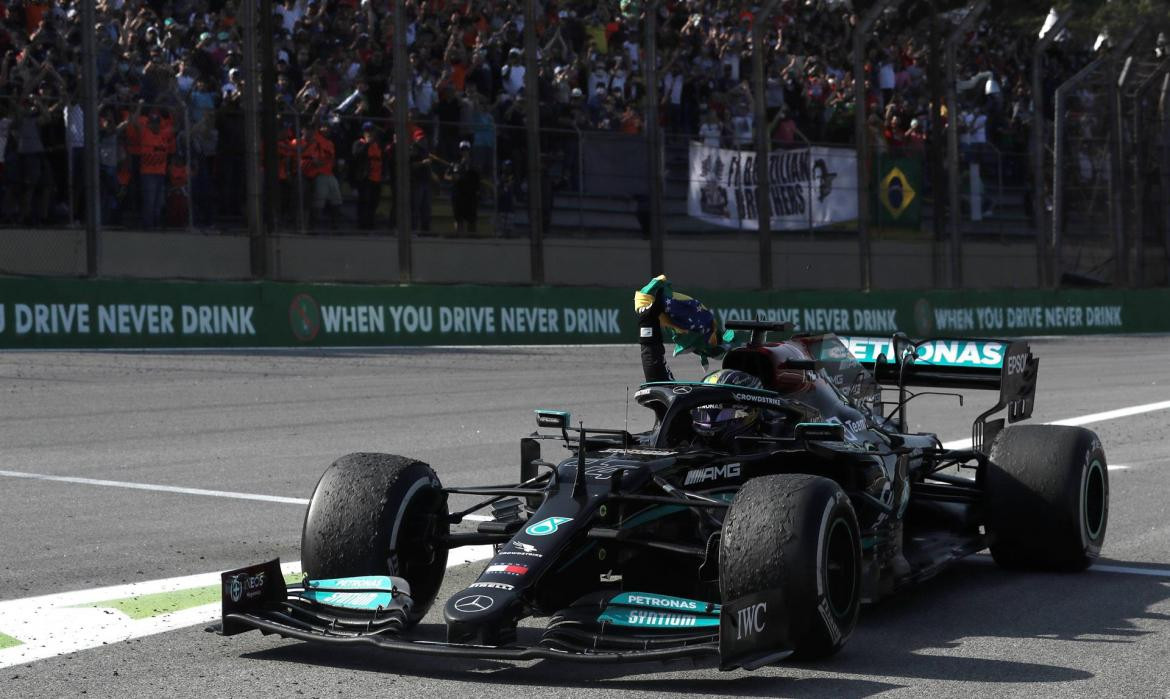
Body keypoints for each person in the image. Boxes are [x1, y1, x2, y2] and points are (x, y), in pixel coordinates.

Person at [351, 121, 383, 229]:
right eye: (367, 131)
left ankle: (370, 224)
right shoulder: (358, 143)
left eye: (371, 131)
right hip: (365, 178)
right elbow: (357, 156)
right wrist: (367, 144)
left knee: (374, 202)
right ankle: (362, 225)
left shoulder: (377, 145)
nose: (370, 133)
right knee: (364, 202)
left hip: (377, 178)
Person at [446, 140, 481, 233]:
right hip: (458, 194)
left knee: (471, 219)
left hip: (471, 195)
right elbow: (446, 175)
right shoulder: (454, 163)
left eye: (466, 149)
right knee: (458, 218)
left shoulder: (474, 163)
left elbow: (479, 177)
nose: (464, 151)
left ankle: (472, 239)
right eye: (462, 149)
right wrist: (453, 177)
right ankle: (459, 236)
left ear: (470, 150)